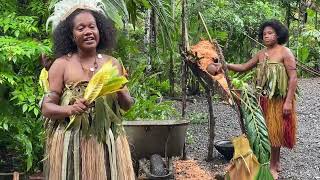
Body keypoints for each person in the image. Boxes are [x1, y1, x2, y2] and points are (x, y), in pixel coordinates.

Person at [40, 1, 135, 179]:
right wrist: (69, 109)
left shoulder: (112, 63)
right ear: (71, 36)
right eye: (81, 28)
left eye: (92, 26)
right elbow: (46, 108)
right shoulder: (61, 65)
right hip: (72, 144)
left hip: (106, 141)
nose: (88, 31)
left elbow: (127, 105)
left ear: (100, 31)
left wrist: (120, 89)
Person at [207, 20, 297, 179]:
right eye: (264, 34)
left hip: (279, 99)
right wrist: (224, 65)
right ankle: (271, 162)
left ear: (278, 35)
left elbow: (293, 78)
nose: (267, 36)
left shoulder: (285, 52)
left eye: (270, 33)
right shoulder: (261, 54)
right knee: (267, 132)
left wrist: (288, 101)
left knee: (275, 134)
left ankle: (274, 165)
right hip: (264, 99)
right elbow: (243, 67)